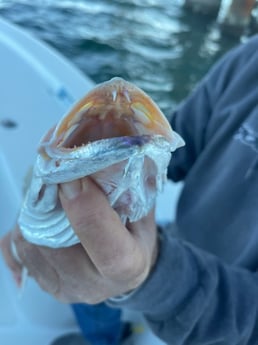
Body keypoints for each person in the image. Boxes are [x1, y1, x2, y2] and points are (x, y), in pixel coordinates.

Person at [1, 34, 258, 345]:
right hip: (177, 239)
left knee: (101, 270)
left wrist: (155, 276)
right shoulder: (248, 60)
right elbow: (176, 144)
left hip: (221, 311)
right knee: (89, 256)